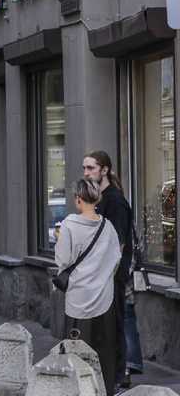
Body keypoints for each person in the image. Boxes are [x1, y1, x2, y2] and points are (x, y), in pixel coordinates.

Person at [55, 177, 121, 396]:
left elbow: (64, 260)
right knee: (104, 354)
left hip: (78, 300)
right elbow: (115, 259)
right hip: (104, 299)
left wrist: (58, 240)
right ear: (97, 198)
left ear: (78, 198)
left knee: (75, 353)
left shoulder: (69, 225)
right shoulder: (107, 226)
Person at [84, 149, 136, 389]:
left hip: (112, 276)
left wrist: (108, 275)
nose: (86, 173)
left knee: (114, 328)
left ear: (104, 170)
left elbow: (119, 244)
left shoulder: (114, 200)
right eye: (84, 168)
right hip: (101, 275)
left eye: (91, 168)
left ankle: (114, 382)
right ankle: (107, 379)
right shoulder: (100, 198)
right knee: (104, 329)